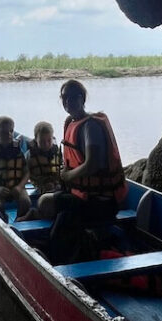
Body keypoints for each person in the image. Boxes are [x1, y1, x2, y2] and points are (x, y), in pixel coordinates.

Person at [37, 79, 128, 231]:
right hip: (85, 195)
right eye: (64, 97)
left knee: (44, 202)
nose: (67, 101)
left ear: (82, 98)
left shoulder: (90, 126)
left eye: (72, 97)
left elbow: (92, 165)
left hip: (100, 202)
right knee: (50, 195)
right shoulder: (73, 122)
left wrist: (67, 176)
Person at [0, 115, 31, 218]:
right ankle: (3, 221)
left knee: (26, 201)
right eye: (4, 132)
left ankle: (20, 220)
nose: (9, 134)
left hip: (17, 187)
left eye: (11, 131)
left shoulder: (18, 151)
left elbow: (27, 173)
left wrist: (19, 187)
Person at [26, 120, 63, 197]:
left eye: (49, 140)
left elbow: (61, 167)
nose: (46, 144)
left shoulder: (57, 152)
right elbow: (25, 173)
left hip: (56, 184)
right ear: (36, 139)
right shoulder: (30, 155)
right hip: (39, 186)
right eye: (42, 141)